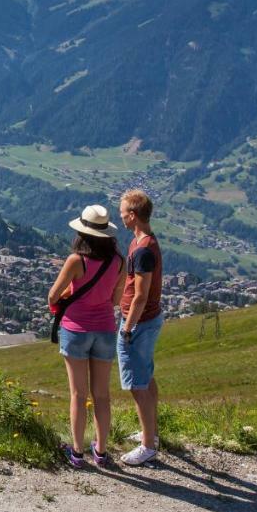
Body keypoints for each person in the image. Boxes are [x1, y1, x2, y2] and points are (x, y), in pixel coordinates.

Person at [48, 204, 124, 468]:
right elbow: (116, 299)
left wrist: (72, 293)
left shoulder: (76, 260)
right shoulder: (118, 261)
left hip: (76, 329)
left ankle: (77, 453)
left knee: (78, 395)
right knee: (102, 395)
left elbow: (53, 296)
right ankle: (101, 452)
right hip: (105, 329)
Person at [117, 188, 164, 466]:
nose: (120, 216)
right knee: (146, 376)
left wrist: (127, 328)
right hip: (145, 320)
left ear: (133, 215)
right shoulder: (142, 242)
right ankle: (151, 433)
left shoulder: (143, 248)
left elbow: (141, 295)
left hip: (140, 323)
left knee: (137, 384)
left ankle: (148, 446)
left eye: (123, 212)